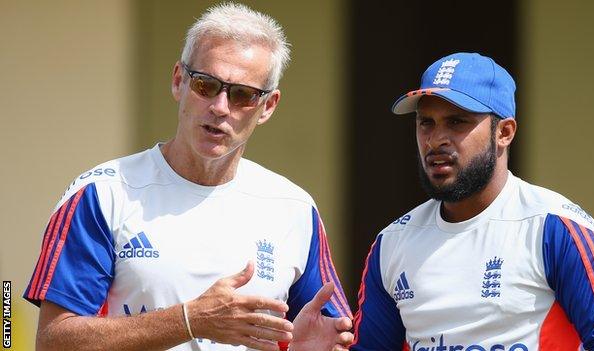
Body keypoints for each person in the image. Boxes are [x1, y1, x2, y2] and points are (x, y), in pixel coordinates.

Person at [23, 3, 353, 351]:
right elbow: (53, 341)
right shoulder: (104, 192)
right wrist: (190, 320)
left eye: (243, 94)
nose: (221, 107)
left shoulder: (294, 208)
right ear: (179, 81)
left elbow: (330, 334)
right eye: (206, 85)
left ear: (267, 106)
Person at [350, 52, 594, 350]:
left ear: (504, 133)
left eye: (456, 121)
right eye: (426, 122)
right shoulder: (392, 243)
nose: (435, 139)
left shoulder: (555, 228)